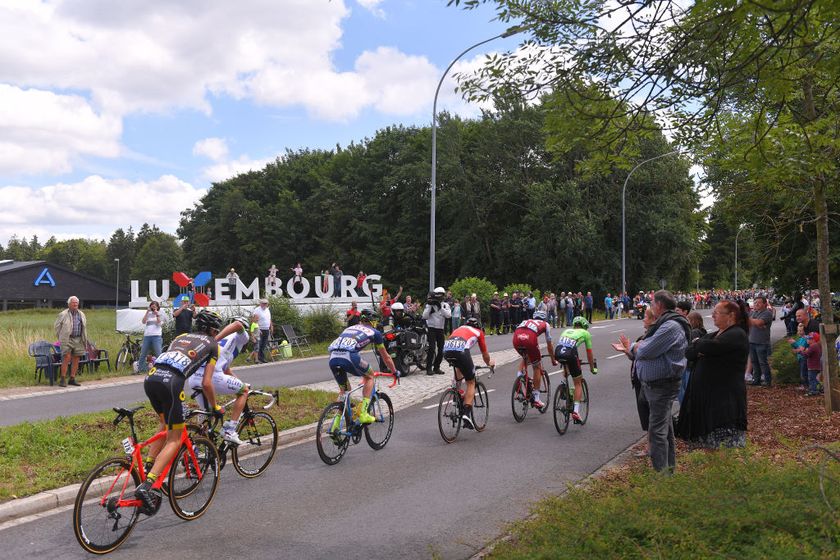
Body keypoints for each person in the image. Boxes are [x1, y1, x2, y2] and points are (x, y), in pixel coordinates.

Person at [134, 310, 223, 515]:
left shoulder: (182, 336)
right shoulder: (212, 345)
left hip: (151, 379)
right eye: (216, 329)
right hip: (172, 384)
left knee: (164, 424)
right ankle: (148, 485)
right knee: (175, 439)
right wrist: (215, 407)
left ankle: (149, 464)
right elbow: (206, 383)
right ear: (211, 330)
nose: (216, 332)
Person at [617, 291, 689, 473]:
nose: (650, 306)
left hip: (662, 385)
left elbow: (645, 350)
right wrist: (635, 348)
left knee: (657, 431)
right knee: (666, 429)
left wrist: (634, 346)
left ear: (659, 305)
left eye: (651, 303)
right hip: (657, 385)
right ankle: (669, 471)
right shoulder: (665, 324)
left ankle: (662, 477)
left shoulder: (670, 326)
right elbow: (642, 350)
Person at [676, 300, 749, 449]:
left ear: (731, 315)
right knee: (709, 447)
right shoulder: (715, 334)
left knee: (723, 448)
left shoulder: (737, 334)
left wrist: (699, 345)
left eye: (716, 313)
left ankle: (721, 471)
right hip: (709, 402)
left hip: (724, 402)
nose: (713, 315)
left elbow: (708, 346)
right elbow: (690, 352)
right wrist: (699, 347)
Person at [327, 309, 399, 426]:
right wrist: (394, 372)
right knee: (370, 375)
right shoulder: (374, 332)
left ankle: (334, 425)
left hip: (333, 357)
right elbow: (386, 357)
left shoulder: (350, 328)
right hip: (349, 356)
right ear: (373, 322)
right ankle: (364, 413)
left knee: (344, 391)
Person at [187, 317, 253, 445]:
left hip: (195, 378)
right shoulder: (240, 337)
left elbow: (226, 369)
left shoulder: (226, 341)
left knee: (208, 415)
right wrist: (215, 340)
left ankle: (193, 449)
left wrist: (239, 381)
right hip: (211, 378)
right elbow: (238, 325)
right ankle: (230, 430)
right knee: (243, 391)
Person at [443, 317, 495, 429]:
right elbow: (485, 354)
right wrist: (489, 363)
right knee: (471, 382)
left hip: (446, 351)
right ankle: (466, 414)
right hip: (461, 352)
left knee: (459, 367)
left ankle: (456, 393)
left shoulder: (459, 328)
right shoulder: (479, 332)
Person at [554, 316, 598, 422]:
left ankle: (564, 386)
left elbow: (568, 346)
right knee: (578, 382)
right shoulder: (585, 333)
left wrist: (576, 360)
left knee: (567, 366)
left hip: (558, 352)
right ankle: (576, 412)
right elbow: (589, 353)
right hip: (571, 354)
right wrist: (592, 368)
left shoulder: (567, 330)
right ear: (584, 326)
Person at [512, 310, 557, 409]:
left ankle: (519, 378)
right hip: (529, 339)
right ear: (544, 318)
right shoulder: (545, 324)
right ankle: (536, 398)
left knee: (526, 358)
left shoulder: (526, 321)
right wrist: (553, 359)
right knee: (536, 366)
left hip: (516, 338)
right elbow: (549, 345)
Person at [54, 295, 87, 387]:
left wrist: (83, 338)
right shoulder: (63, 314)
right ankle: (63, 379)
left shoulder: (81, 314)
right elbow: (57, 327)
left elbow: (84, 327)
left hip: (78, 338)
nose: (75, 304)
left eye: (77, 303)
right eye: (73, 303)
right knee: (66, 357)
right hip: (67, 339)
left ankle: (72, 378)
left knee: (76, 358)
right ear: (69, 304)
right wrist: (61, 337)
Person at [423, 287, 451, 376]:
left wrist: (440, 307)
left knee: (441, 349)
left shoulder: (445, 305)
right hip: (431, 328)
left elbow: (448, 315)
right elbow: (424, 316)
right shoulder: (430, 305)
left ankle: (436, 367)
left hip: (440, 329)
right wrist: (430, 306)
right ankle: (428, 368)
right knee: (431, 348)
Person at [747, 296, 774, 387]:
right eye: (755, 303)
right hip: (752, 340)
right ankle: (756, 379)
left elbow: (759, 323)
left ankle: (767, 381)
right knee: (754, 362)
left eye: (759, 302)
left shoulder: (767, 313)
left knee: (763, 362)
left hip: (762, 342)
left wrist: (756, 322)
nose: (756, 304)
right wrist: (756, 322)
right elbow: (750, 323)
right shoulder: (754, 312)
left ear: (764, 304)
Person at [138, 301, 163, 374]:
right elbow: (143, 321)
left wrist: (157, 314)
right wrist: (147, 312)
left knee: (158, 353)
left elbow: (160, 323)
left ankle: (160, 369)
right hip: (147, 336)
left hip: (156, 336)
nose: (153, 307)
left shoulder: (160, 313)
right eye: (152, 306)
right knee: (143, 352)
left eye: (155, 306)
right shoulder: (148, 314)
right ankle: (141, 369)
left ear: (158, 307)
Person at [252, 298, 273, 363]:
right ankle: (258, 359)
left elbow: (269, 319)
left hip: (266, 329)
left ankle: (261, 358)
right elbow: (254, 320)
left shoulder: (267, 310)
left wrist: (271, 326)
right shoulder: (257, 310)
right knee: (259, 344)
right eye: (263, 303)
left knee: (264, 344)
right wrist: (257, 329)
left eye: (266, 303)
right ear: (260, 303)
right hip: (259, 329)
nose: (264, 304)